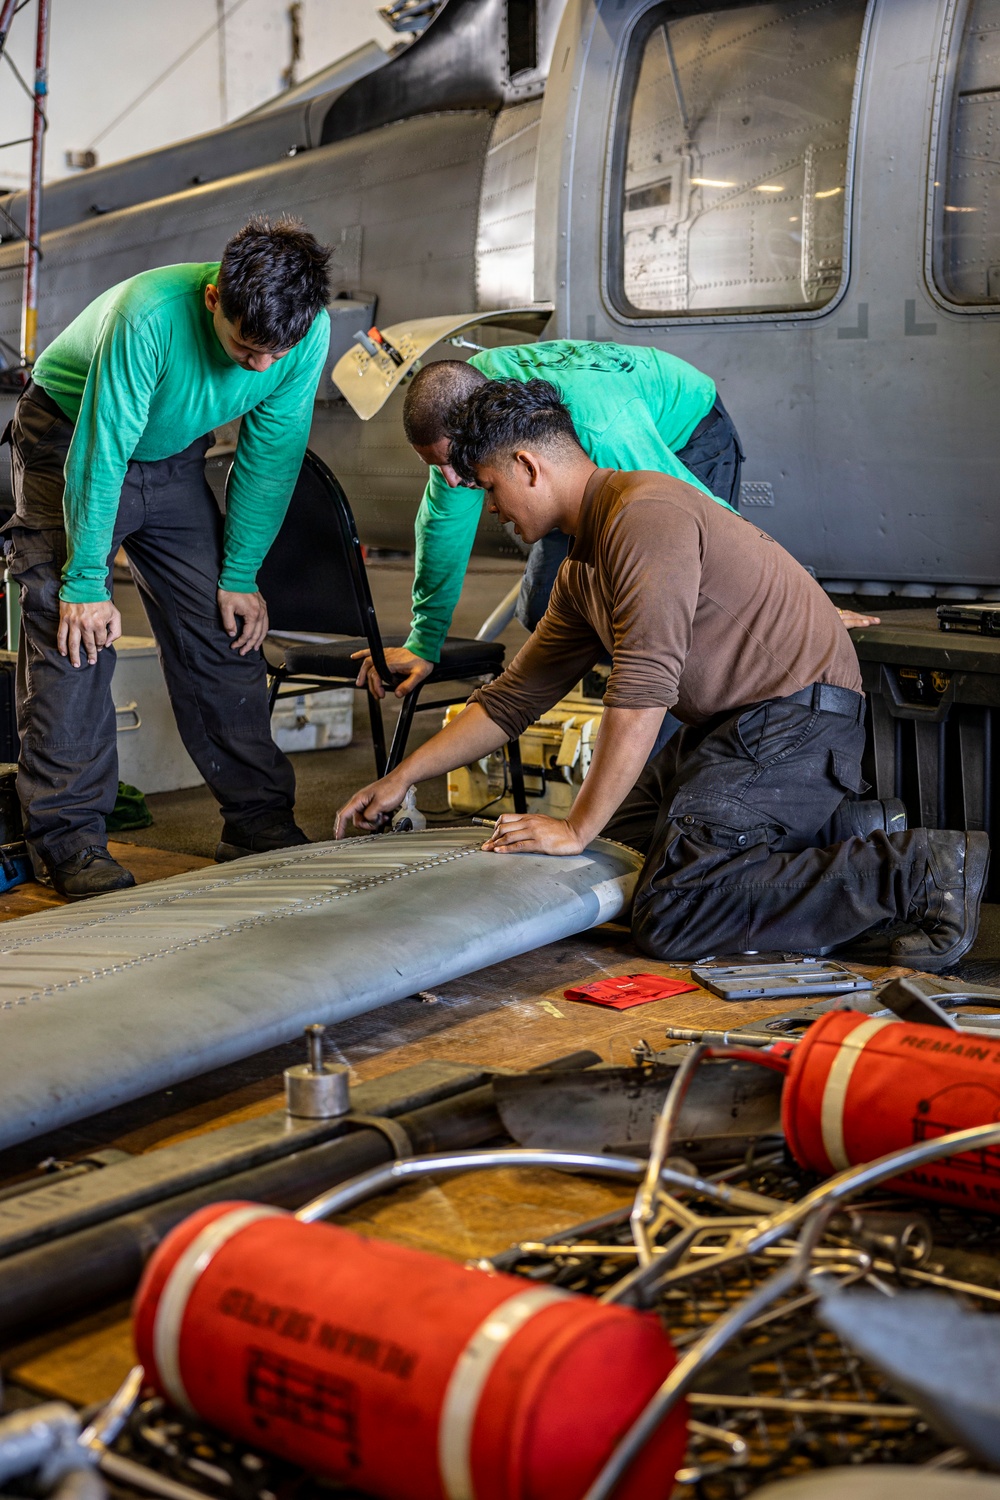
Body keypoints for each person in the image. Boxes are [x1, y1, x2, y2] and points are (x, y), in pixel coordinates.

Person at [335, 380, 987, 974]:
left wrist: (574, 826)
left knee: (673, 910)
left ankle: (916, 870)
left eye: (488, 487)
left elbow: (643, 686)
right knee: (612, 867)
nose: (492, 509)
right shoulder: (581, 568)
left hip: (796, 722)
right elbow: (512, 701)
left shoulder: (643, 514)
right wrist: (400, 779)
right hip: (733, 732)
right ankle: (840, 835)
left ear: (528, 468)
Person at [4, 215, 332, 899]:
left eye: (279, 351)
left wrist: (240, 575)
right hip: (69, 438)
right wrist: (86, 578)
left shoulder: (299, 333)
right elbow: (101, 451)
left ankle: (257, 821)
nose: (263, 366)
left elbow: (270, 456)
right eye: (247, 348)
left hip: (173, 454)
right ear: (215, 297)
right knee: (75, 636)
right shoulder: (147, 316)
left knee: (224, 627)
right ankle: (70, 842)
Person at [353, 339, 877, 705]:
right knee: (542, 606)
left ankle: (666, 705)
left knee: (682, 600)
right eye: (435, 465)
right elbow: (440, 530)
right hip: (568, 455)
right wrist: (425, 641)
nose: (449, 477)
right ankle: (638, 672)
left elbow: (708, 515)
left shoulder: (603, 427)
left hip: (686, 433)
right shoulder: (466, 408)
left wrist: (809, 599)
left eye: (453, 463)